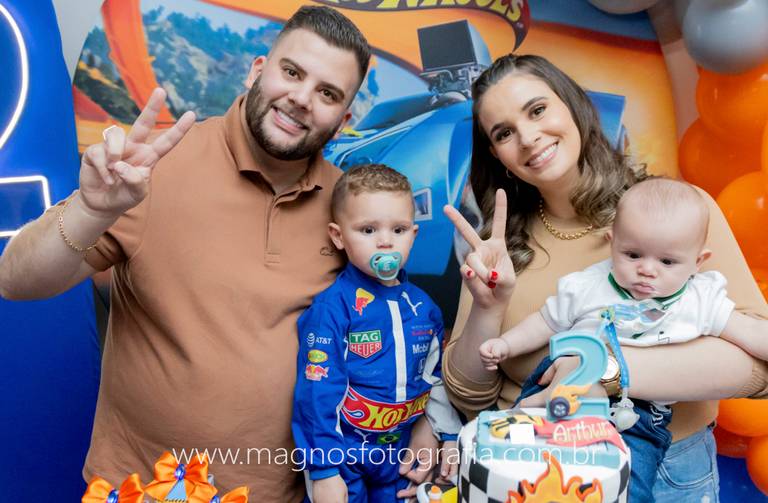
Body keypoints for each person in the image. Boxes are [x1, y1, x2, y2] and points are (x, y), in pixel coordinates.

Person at [0, 6, 438, 499]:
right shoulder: (154, 169)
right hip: (147, 488)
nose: (301, 99)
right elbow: (16, 280)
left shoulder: (349, 209)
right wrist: (91, 210)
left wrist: (421, 422)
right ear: (257, 71)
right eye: (292, 72)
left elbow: (389, 333)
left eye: (328, 94)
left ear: (344, 119)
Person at [441, 54, 768, 502]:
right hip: (535, 468)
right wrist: (488, 307)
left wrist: (602, 371)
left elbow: (757, 368)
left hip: (668, 470)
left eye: (537, 110)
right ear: (497, 155)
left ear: (573, 106)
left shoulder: (677, 212)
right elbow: (468, 395)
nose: (528, 137)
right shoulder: (496, 246)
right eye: (504, 133)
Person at [478, 177, 768, 500]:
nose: (647, 270)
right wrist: (506, 345)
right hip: (561, 386)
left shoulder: (700, 300)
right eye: (633, 255)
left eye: (667, 261)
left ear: (697, 263)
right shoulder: (588, 286)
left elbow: (750, 331)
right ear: (612, 242)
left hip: (640, 414)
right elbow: (545, 322)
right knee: (532, 469)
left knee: (632, 482)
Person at [292, 164, 462, 503]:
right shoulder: (332, 309)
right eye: (368, 230)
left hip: (398, 454)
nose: (385, 242)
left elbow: (435, 378)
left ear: (414, 234)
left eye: (398, 229)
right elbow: (315, 393)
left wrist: (448, 434)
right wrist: (324, 470)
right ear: (338, 236)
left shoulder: (424, 308)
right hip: (342, 455)